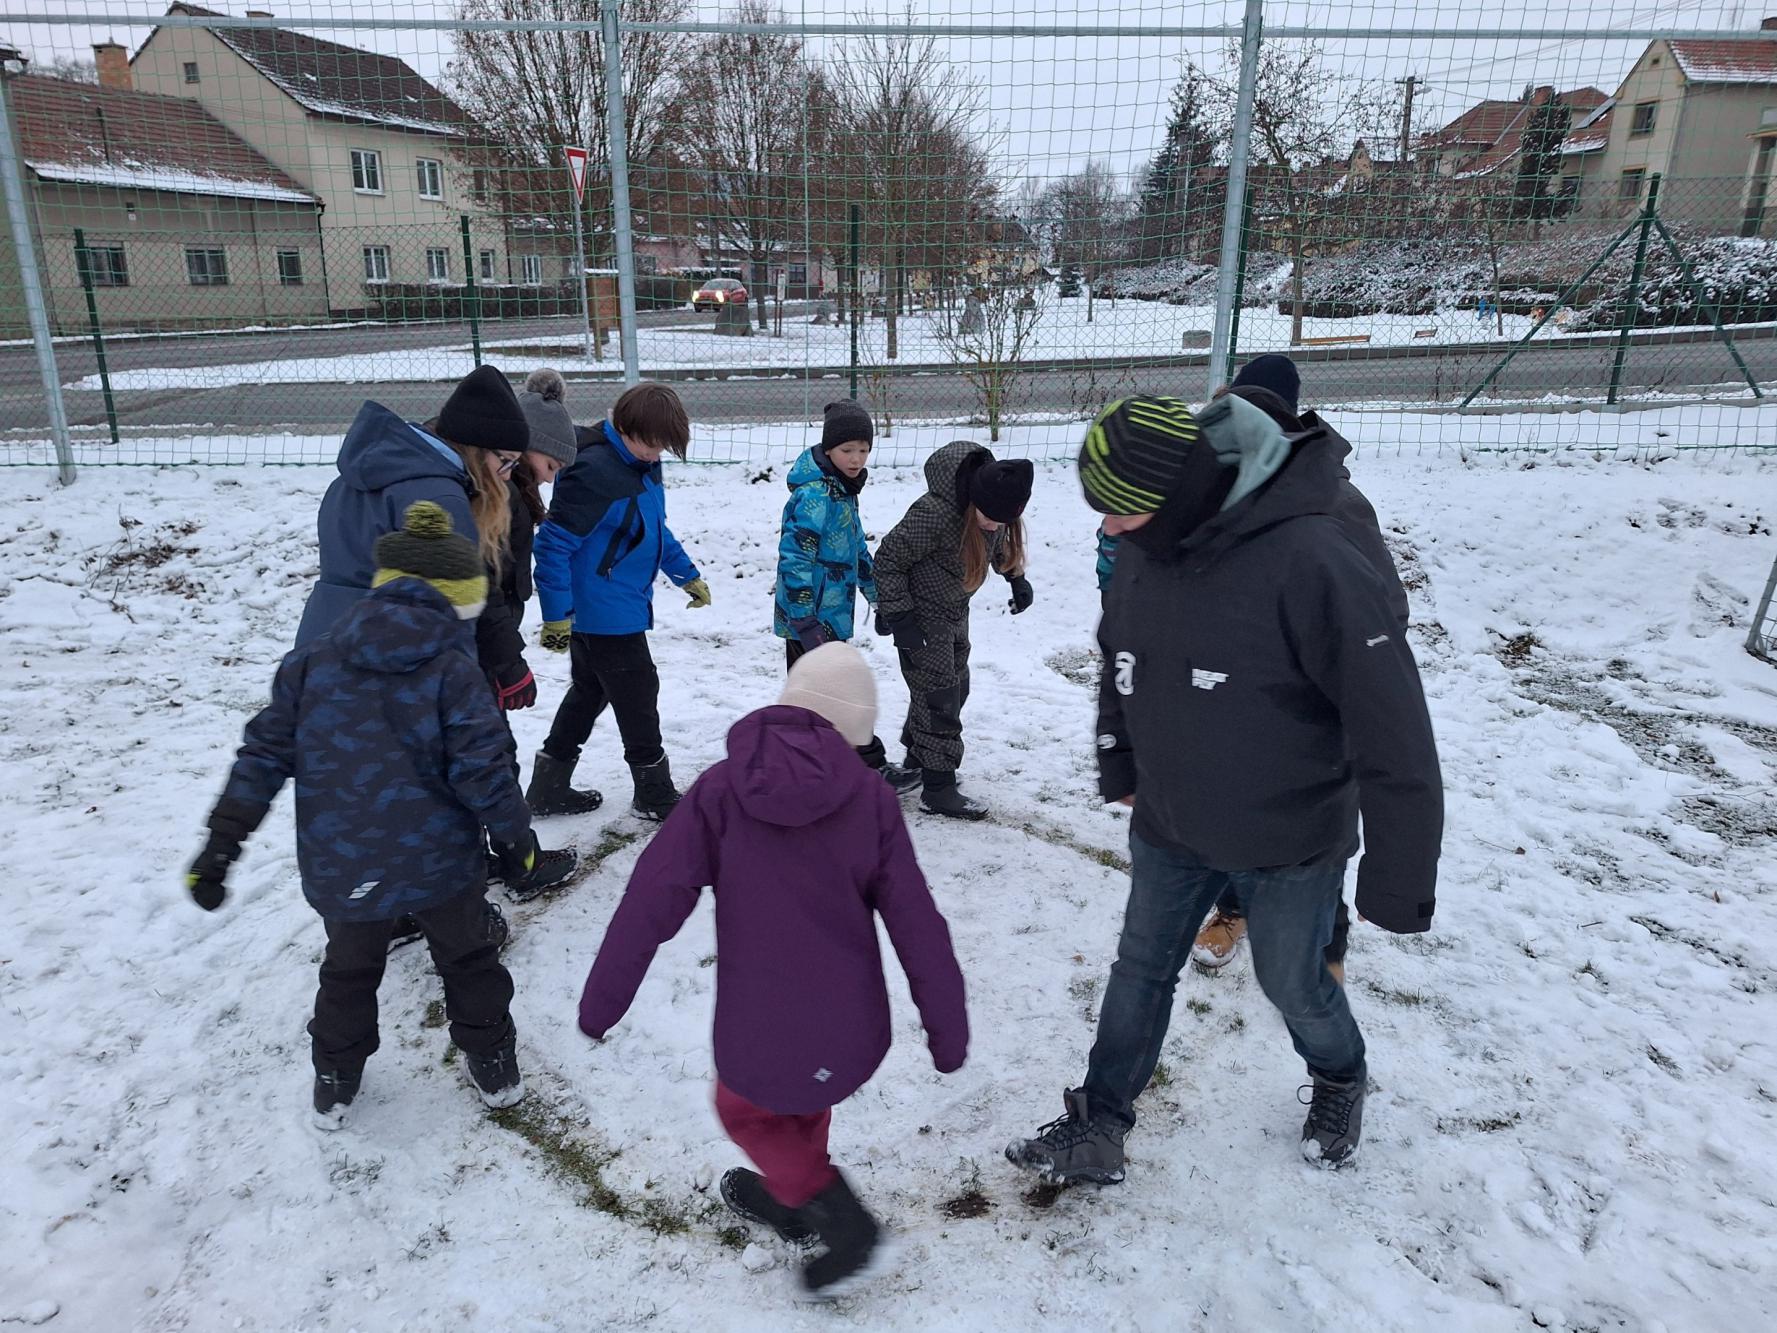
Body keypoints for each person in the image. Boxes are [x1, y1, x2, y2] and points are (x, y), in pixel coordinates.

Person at [1005, 393, 1443, 1180]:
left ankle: (1341, 1073)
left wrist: (1397, 877)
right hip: (1172, 816)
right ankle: (1099, 1124)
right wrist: (1122, 760)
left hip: (1288, 834)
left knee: (1292, 982)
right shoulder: (1151, 541)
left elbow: (1395, 728)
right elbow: (1120, 652)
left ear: (1178, 496)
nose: (1106, 529)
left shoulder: (1313, 559)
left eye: (1120, 511)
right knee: (1138, 967)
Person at [577, 643, 968, 1298]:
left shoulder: (719, 789)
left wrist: (602, 1000)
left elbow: (652, 896)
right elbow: (918, 923)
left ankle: (833, 1212)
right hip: (848, 1026)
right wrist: (946, 1028)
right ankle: (792, 1196)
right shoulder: (870, 799)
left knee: (745, 1111)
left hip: (757, 1026)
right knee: (802, 1099)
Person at [186, 502, 563, 1128]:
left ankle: (334, 1080)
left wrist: (221, 843)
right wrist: (516, 840)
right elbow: (484, 770)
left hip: (344, 863)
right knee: (469, 960)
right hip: (440, 864)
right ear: (459, 597)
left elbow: (263, 754)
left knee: (350, 969)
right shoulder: (453, 671)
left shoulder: (311, 662)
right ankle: (494, 1064)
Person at [294, 364, 574, 929]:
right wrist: (484, 675)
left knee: (381, 790)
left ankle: (393, 914)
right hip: (399, 666)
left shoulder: (361, 474)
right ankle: (462, 920)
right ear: (480, 450)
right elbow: (455, 601)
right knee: (448, 786)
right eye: (507, 463)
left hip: (332, 652)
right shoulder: (439, 494)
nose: (511, 475)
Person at [1187, 353, 1411, 978]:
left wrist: (1334, 667)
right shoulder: (1216, 488)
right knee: (1237, 812)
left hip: (1314, 709)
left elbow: (1387, 607)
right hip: (1236, 703)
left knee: (1320, 831)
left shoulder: (1336, 503)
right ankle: (1235, 907)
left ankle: (1328, 944)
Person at [529, 382, 711, 822]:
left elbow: (652, 528)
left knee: (590, 690)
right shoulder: (596, 471)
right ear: (624, 426)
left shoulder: (641, 466)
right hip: (603, 610)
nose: (656, 452)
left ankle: (548, 785)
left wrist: (686, 573)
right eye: (650, 443)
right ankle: (653, 792)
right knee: (637, 693)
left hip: (619, 602)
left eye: (664, 446)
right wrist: (556, 615)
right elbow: (553, 546)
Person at [872, 441, 1035, 821]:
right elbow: (888, 560)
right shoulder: (934, 514)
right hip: (921, 616)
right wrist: (899, 618)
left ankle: (918, 758)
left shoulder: (990, 509)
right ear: (974, 498)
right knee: (939, 697)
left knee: (955, 687)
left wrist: (1016, 579)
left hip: (954, 611)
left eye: (1003, 521)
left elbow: (996, 546)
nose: (995, 526)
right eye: (990, 517)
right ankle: (938, 787)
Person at [773, 400, 913, 792]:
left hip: (830, 615)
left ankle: (808, 768)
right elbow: (794, 558)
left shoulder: (842, 489)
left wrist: (879, 598)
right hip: (810, 619)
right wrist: (803, 619)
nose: (856, 459)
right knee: (837, 693)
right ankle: (867, 767)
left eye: (863, 450)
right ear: (829, 449)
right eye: (847, 450)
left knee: (816, 698)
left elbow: (855, 552)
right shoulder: (816, 495)